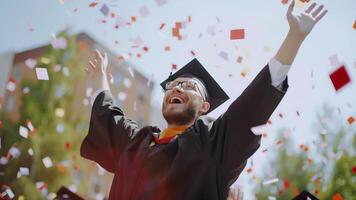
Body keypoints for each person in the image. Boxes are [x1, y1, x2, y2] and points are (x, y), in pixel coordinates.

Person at [81, 1, 327, 199]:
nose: (178, 88)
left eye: (189, 87)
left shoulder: (211, 145)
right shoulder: (137, 142)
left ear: (205, 106)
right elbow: (108, 115)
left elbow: (250, 109)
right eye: (175, 86)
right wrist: (101, 78)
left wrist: (293, 39)